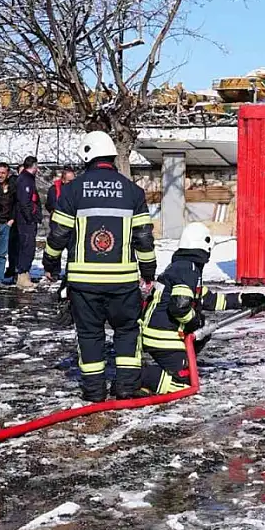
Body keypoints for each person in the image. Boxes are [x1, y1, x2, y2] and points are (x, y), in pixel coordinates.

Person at [42, 131, 156, 402]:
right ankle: (126, 389)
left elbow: (58, 234)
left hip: (84, 284)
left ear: (86, 156)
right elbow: (143, 238)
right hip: (123, 283)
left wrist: (50, 264)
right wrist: (148, 273)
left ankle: (94, 393)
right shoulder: (133, 192)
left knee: (90, 335)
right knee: (127, 333)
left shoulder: (71, 191)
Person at [137, 223, 265, 396]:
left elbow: (208, 299)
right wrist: (196, 322)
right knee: (184, 385)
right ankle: (137, 377)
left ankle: (168, 368)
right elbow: (179, 308)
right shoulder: (187, 269)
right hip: (163, 337)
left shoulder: (183, 266)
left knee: (202, 331)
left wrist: (242, 300)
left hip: (157, 333)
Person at [10, 156, 41, 291]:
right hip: (25, 220)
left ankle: (25, 274)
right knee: (27, 246)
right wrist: (30, 217)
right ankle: (22, 275)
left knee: (28, 246)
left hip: (27, 218)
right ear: (33, 166)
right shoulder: (25, 180)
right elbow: (25, 202)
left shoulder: (27, 179)